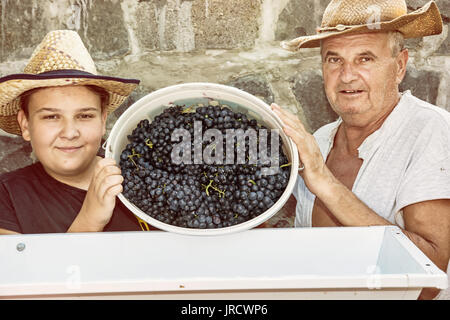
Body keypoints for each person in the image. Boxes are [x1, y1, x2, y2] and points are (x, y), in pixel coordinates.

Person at [271, 0, 450, 300]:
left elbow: (430, 279)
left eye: (364, 59)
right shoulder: (322, 139)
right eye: (334, 59)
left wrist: (324, 181)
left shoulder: (432, 131)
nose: (347, 76)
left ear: (400, 66)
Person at [0, 30, 143, 234]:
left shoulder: (144, 180)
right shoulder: (7, 197)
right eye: (51, 117)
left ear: (103, 121)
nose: (69, 133)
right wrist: (90, 219)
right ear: (25, 125)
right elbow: (16, 267)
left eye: (84, 116)